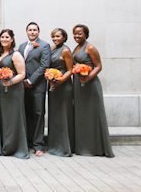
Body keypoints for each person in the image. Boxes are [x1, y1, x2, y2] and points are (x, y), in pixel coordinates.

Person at [72, 24, 114, 157]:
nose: (77, 36)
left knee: (92, 114)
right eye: (75, 33)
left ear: (85, 34)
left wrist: (87, 77)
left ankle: (96, 147)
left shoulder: (90, 47)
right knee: (82, 115)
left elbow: (98, 66)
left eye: (79, 33)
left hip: (90, 85)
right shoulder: (76, 48)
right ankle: (83, 145)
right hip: (79, 85)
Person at [18, 22, 51, 156]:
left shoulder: (44, 46)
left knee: (38, 114)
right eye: (30, 30)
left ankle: (38, 144)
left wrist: (31, 81)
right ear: (26, 32)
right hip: (23, 86)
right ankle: (28, 141)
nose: (32, 32)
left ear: (38, 32)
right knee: (27, 114)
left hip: (37, 86)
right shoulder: (21, 47)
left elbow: (44, 65)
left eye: (34, 30)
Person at [0, 29, 29, 159]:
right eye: (2, 37)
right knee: (4, 117)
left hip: (13, 90)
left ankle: (15, 147)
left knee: (14, 117)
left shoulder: (15, 55)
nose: (4, 39)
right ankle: (5, 145)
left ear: (12, 39)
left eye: (7, 37)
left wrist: (10, 82)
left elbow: (22, 74)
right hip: (1, 90)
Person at [47, 28, 74, 157]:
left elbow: (70, 70)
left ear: (64, 37)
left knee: (63, 114)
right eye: (53, 36)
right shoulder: (51, 49)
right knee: (55, 115)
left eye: (58, 36)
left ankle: (64, 146)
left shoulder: (66, 51)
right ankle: (54, 144)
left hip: (63, 86)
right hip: (53, 86)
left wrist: (59, 80)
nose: (55, 39)